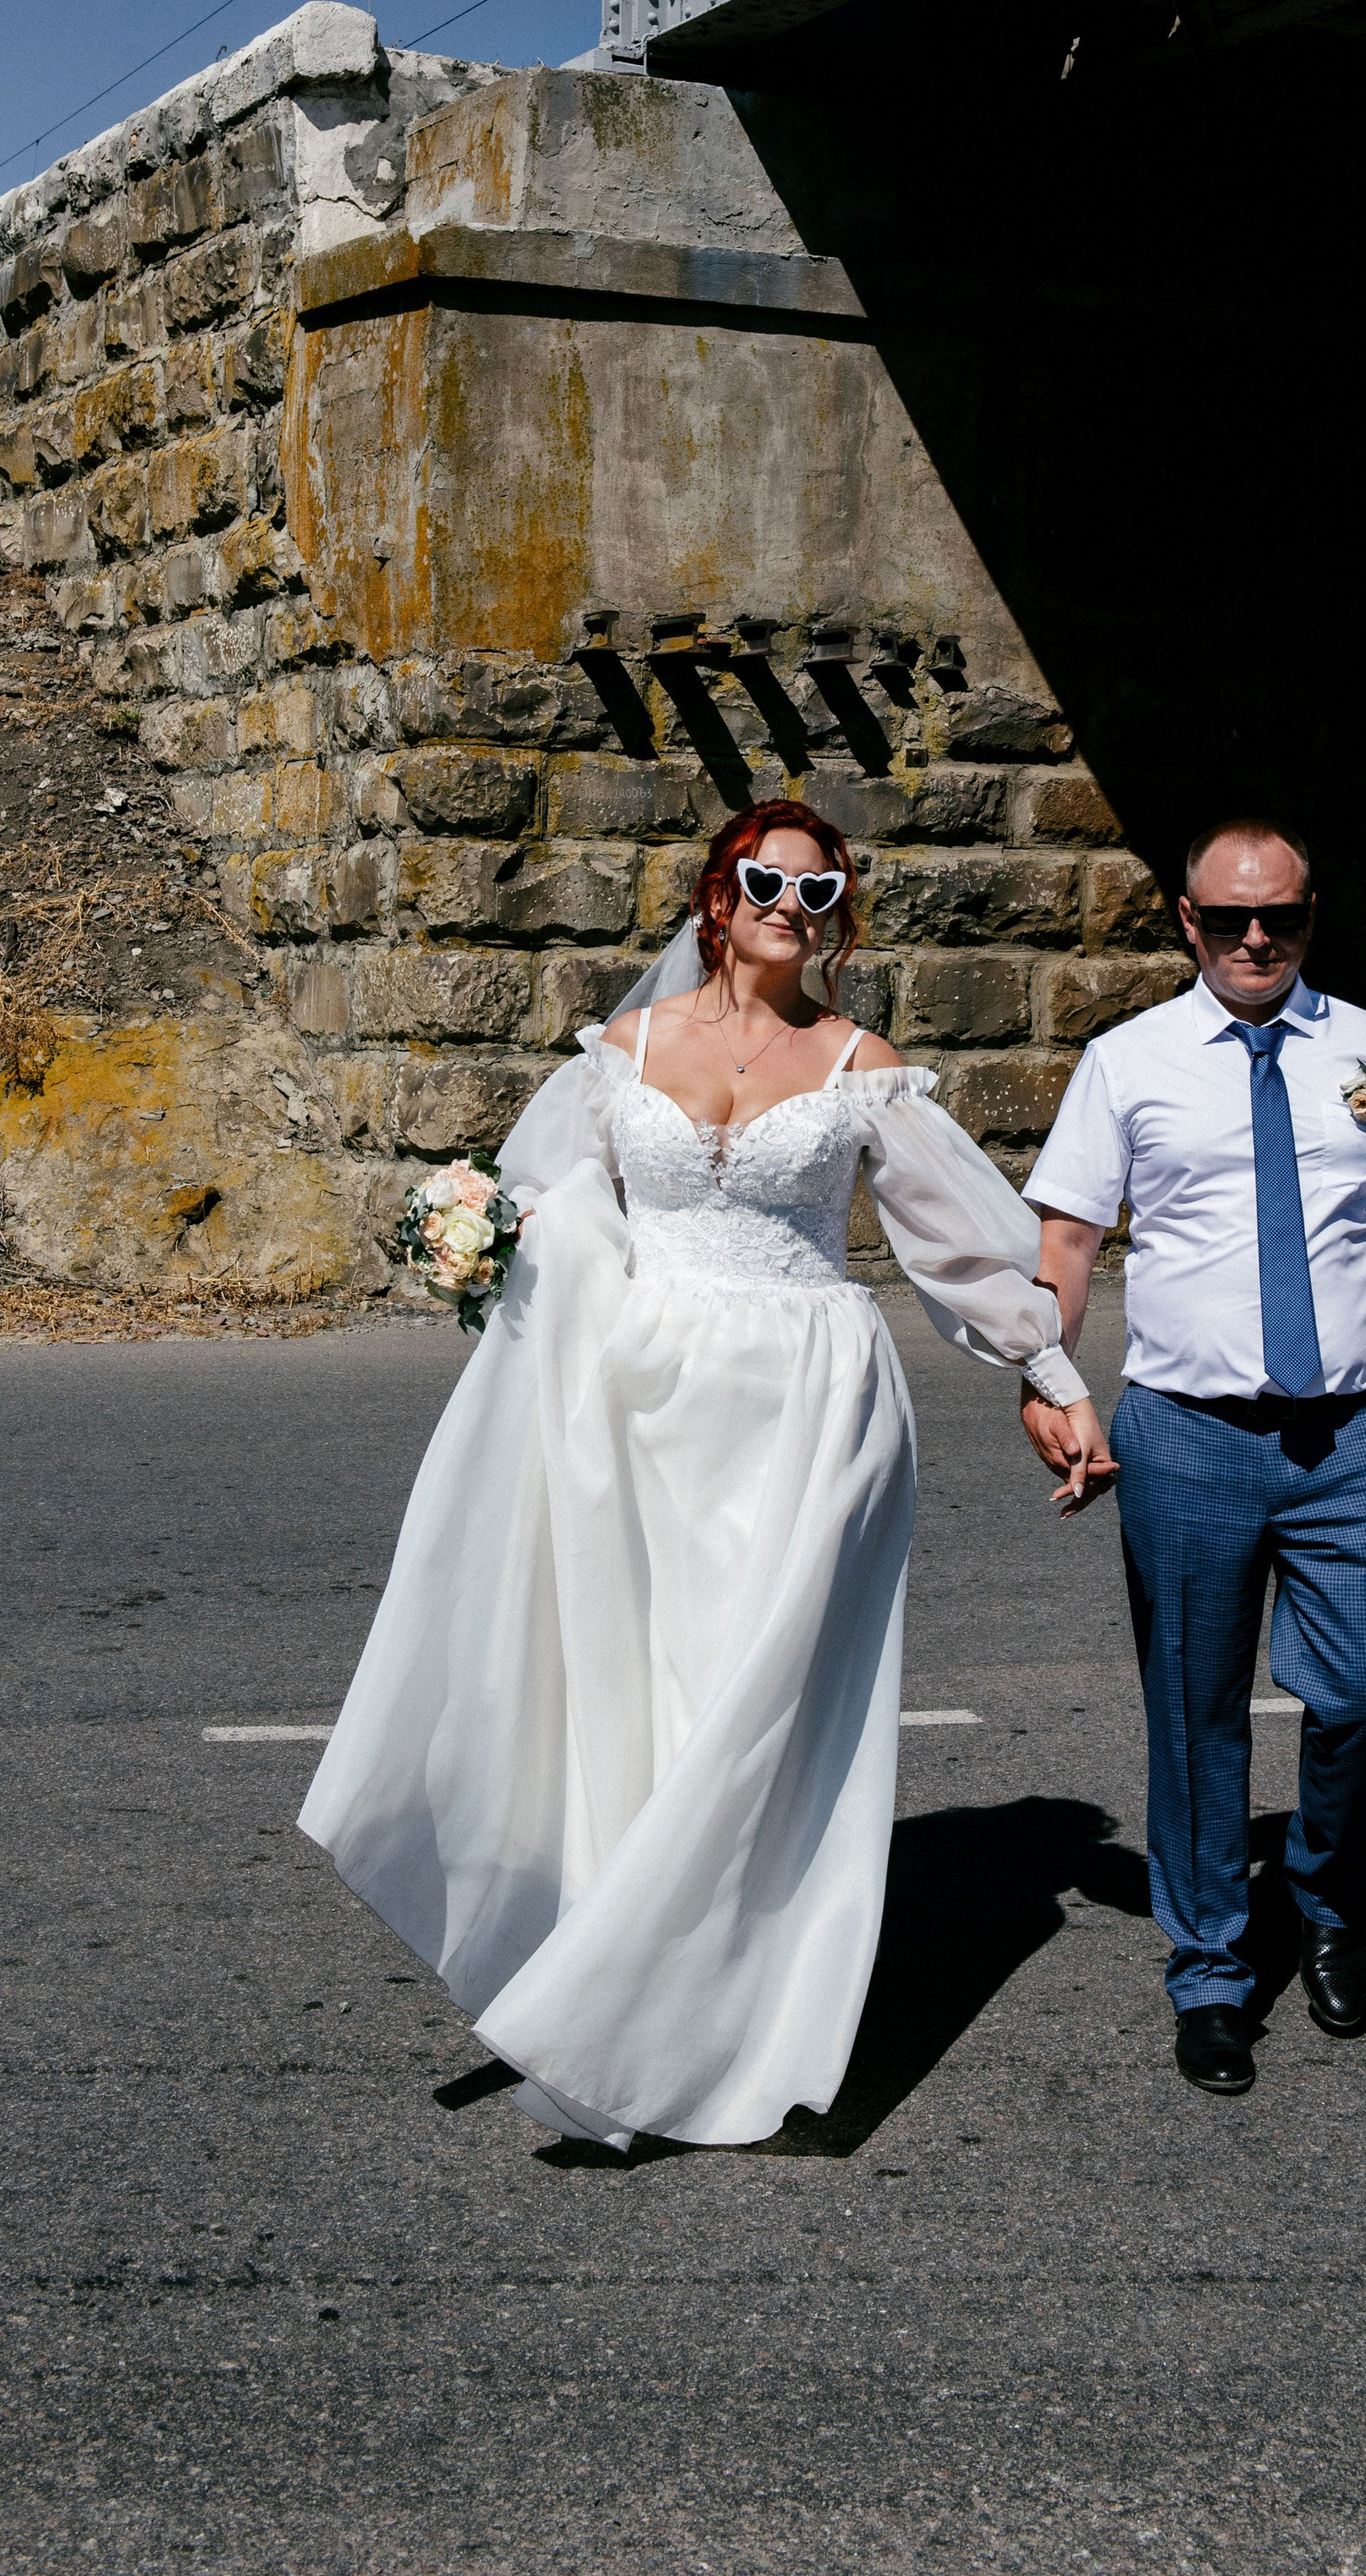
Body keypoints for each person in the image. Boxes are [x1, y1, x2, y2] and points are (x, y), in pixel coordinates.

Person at [300, 800, 1114, 2150]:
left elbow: (965, 1248)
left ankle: (717, 2017)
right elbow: (545, 1205)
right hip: (642, 1401)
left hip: (813, 1405)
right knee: (652, 1699)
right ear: (718, 901)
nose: (792, 907)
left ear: (838, 917)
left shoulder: (863, 1066)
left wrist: (1052, 1374)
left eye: (820, 890)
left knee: (758, 1704)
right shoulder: (619, 1055)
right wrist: (485, 1238)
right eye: (766, 882)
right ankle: (625, 1997)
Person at [1020, 817, 1366, 2096]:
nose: (1258, 938)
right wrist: (1049, 1381)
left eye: (1282, 917)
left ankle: (1327, 1898)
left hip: (1354, 1432)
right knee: (1195, 1712)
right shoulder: (1127, 1062)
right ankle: (1210, 1969)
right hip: (1186, 1433)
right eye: (1232, 917)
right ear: (1187, 919)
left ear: (1310, 918)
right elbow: (1067, 1237)